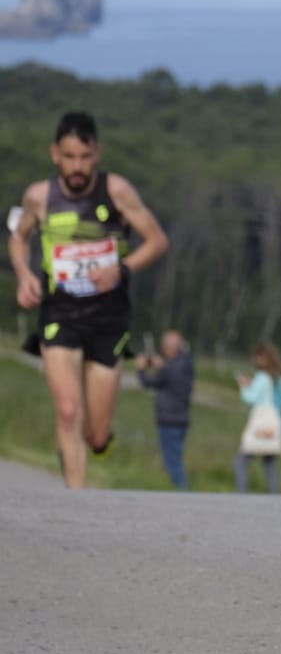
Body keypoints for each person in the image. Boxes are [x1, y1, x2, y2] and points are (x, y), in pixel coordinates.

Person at [7, 111, 169, 489]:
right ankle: (76, 504)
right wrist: (25, 274)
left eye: (84, 157)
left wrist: (121, 269)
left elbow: (158, 241)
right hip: (59, 310)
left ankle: (94, 444)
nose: (77, 166)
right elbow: (18, 236)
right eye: (68, 157)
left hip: (107, 316)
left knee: (95, 435)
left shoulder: (117, 192)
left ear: (97, 153)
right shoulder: (38, 196)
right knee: (67, 412)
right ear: (54, 155)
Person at [137, 330, 194, 490]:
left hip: (169, 419)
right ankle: (179, 489)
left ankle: (183, 492)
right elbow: (174, 367)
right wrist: (163, 365)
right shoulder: (186, 364)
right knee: (176, 457)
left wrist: (141, 369)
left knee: (173, 461)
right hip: (182, 418)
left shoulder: (170, 369)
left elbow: (148, 382)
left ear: (168, 348)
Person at [235, 341, 281, 494]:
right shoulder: (280, 377)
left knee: (241, 462)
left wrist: (244, 386)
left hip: (261, 422)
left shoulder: (262, 377)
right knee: (270, 464)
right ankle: (274, 497)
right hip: (275, 423)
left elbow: (251, 398)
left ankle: (242, 496)